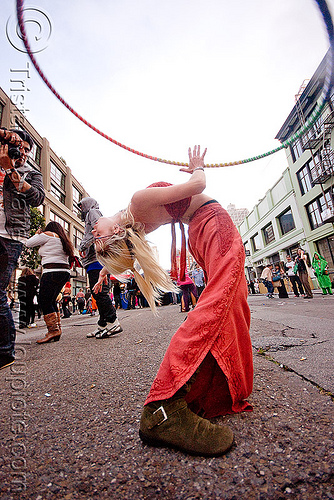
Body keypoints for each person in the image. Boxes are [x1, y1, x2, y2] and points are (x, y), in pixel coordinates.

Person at [92, 145, 253, 457]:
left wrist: (105, 270)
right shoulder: (137, 205)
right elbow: (198, 186)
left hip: (202, 230)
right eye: (96, 238)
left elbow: (130, 252)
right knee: (220, 303)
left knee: (232, 302)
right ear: (112, 233)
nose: (92, 231)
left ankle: (209, 383)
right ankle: (163, 403)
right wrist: (198, 165)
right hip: (211, 223)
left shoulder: (135, 220)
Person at [0, 128, 45, 370]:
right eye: (20, 148)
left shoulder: (31, 173)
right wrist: (6, 133)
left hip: (9, 235)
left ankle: (5, 353)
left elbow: (37, 198)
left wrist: (10, 169)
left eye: (28, 150)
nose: (24, 153)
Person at [78, 197, 122, 338]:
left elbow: (98, 232)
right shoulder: (89, 216)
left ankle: (113, 321)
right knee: (97, 292)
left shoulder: (93, 212)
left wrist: (83, 246)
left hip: (97, 260)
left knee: (100, 292)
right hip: (93, 261)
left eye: (81, 206)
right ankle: (102, 324)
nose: (80, 209)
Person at [25, 221, 74, 343]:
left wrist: (38, 234)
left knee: (44, 300)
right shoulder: (63, 240)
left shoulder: (48, 234)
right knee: (51, 300)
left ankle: (53, 331)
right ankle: (56, 330)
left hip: (52, 270)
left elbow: (28, 243)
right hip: (64, 272)